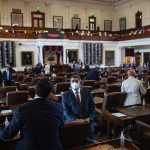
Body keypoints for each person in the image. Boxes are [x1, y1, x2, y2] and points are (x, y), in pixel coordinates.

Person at [0, 78, 64, 150]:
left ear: (35, 89)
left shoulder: (22, 109)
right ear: (50, 93)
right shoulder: (59, 107)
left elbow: (9, 134)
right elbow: (61, 126)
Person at [61, 75, 95, 140]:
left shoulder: (87, 92)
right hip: (73, 122)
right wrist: (77, 120)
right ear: (70, 83)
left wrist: (90, 118)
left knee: (90, 141)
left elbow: (92, 107)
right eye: (72, 81)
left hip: (87, 121)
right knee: (75, 141)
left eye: (76, 81)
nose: (74, 83)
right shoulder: (65, 95)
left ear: (80, 82)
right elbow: (66, 111)